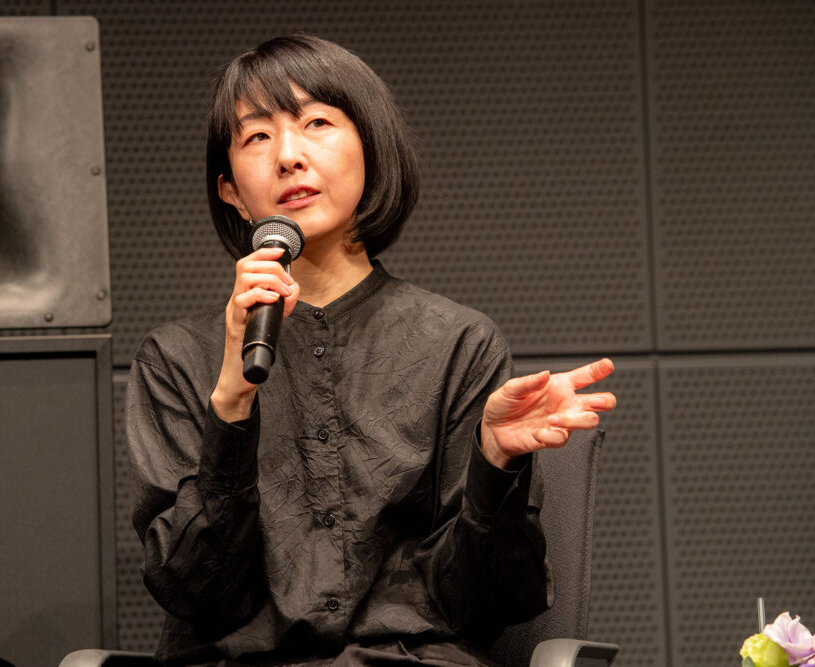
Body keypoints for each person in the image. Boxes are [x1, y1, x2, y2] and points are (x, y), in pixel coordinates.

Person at [127, 34, 616, 666]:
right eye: (257, 137)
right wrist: (231, 404)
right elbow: (196, 594)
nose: (289, 157)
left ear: (370, 150)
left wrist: (495, 463)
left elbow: (482, 603)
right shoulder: (174, 360)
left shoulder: (457, 345)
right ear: (231, 192)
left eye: (317, 123)